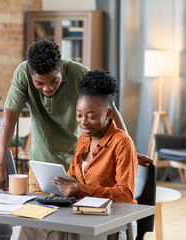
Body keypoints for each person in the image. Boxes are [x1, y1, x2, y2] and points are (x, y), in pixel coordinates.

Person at [0, 39, 151, 192]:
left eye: (54, 80)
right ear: (31, 76)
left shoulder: (79, 73)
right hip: (42, 166)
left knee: (74, 219)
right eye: (39, 83)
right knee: (37, 218)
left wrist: (129, 150)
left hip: (77, 168)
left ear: (62, 69)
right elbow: (9, 118)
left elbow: (110, 112)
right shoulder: (23, 73)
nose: (47, 88)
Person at [20, 69, 138, 240]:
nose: (83, 122)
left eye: (91, 116)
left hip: (111, 219)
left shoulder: (122, 143)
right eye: (79, 115)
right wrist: (57, 182)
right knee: (30, 225)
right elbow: (74, 177)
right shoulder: (84, 140)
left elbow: (126, 195)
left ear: (108, 114)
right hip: (79, 213)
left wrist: (80, 190)